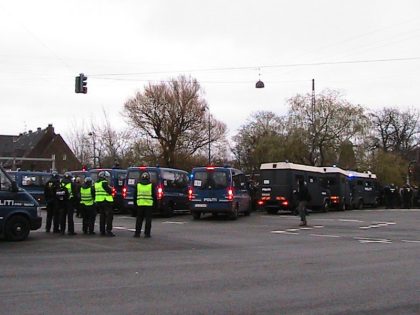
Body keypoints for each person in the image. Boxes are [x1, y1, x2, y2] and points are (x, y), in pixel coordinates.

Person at [133, 172, 156, 238]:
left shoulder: (138, 185)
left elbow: (135, 196)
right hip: (149, 205)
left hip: (140, 204)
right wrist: (155, 205)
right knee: (148, 220)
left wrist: (135, 204)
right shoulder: (151, 185)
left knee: (139, 220)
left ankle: (137, 233)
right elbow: (154, 196)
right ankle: (147, 234)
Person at [95, 170, 115, 237]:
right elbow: (109, 191)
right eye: (107, 177)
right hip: (106, 201)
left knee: (102, 216)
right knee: (109, 216)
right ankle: (108, 230)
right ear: (104, 177)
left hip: (99, 201)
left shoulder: (96, 183)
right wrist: (112, 189)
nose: (107, 178)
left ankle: (102, 231)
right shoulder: (104, 183)